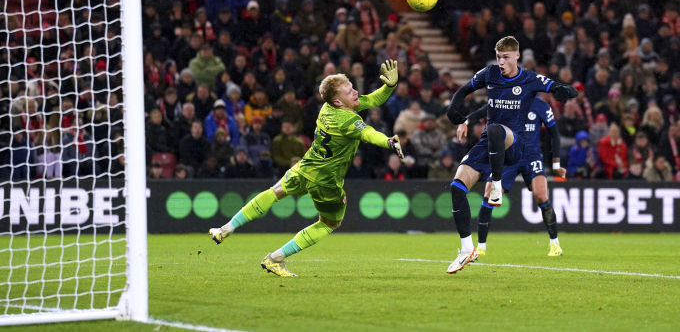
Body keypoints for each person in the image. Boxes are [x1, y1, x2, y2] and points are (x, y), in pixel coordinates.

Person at [208, 60, 405, 277]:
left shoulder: (327, 108)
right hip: (326, 181)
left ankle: (225, 228)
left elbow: (371, 100)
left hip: (305, 166)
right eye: (350, 91)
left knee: (274, 192)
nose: (356, 92)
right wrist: (387, 141)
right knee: (330, 223)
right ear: (339, 101)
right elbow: (367, 133)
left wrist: (389, 87)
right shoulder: (349, 121)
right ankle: (275, 258)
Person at [444, 36, 577, 274]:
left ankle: (496, 185)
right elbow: (464, 90)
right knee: (457, 187)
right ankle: (467, 249)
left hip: (514, 144)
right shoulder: (490, 74)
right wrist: (455, 111)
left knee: (496, 129)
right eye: (498, 57)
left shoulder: (529, 79)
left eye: (506, 57)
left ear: (517, 56)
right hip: (488, 144)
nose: (501, 62)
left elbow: (555, 87)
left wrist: (563, 90)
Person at [460, 95, 566, 257]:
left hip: (531, 156)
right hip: (509, 156)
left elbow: (555, 134)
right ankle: (481, 247)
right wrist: (466, 121)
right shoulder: (506, 101)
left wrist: (556, 164)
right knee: (489, 194)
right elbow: (483, 111)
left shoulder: (541, 106)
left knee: (541, 195)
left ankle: (555, 243)